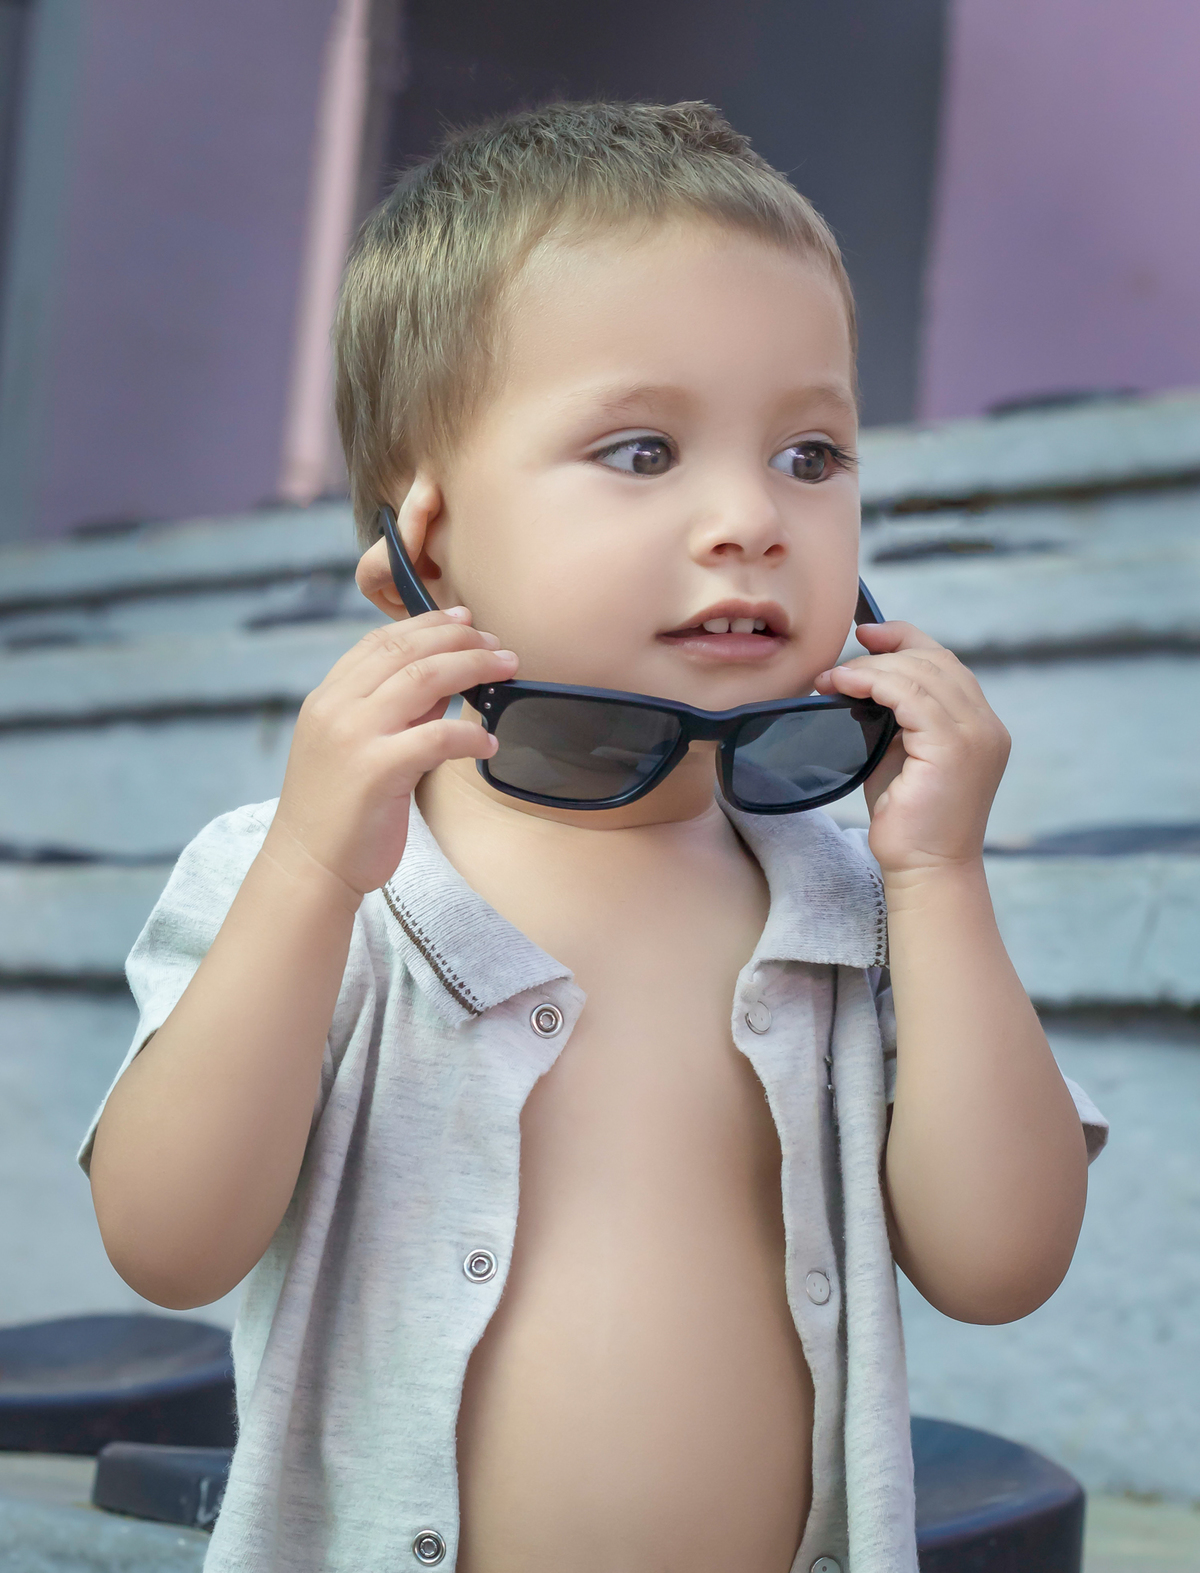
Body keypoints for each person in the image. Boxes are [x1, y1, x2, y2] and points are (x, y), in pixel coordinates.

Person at [80, 101, 1107, 1573]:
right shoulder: (316, 873)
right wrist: (311, 878)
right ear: (427, 544)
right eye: (643, 450)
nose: (751, 516)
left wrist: (941, 874)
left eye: (812, 454)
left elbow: (1002, 1263)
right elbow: (169, 1241)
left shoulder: (853, 891)